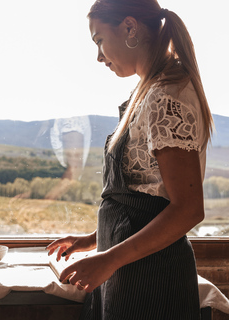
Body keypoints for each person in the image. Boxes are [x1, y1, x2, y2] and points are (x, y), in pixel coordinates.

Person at [46, 1, 213, 319]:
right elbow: (145, 193)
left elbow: (188, 209)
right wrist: (94, 239)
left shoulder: (166, 97)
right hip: (130, 267)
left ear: (130, 28)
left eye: (98, 40)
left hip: (152, 277)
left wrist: (108, 259)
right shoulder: (148, 90)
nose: (98, 56)